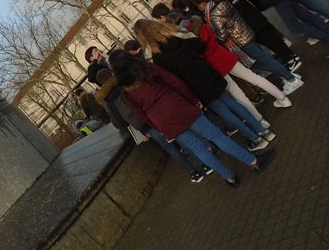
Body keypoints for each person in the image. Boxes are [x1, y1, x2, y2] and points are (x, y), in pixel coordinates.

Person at [112, 53, 276, 186]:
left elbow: (140, 114)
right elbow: (175, 82)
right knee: (216, 136)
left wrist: (158, 125)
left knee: (198, 149)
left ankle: (229, 177)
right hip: (179, 107)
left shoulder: (125, 91)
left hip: (164, 122)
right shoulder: (147, 68)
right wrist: (193, 100)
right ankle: (253, 161)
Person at [133, 19, 273, 151]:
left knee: (225, 112)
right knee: (233, 102)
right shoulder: (176, 36)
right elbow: (199, 45)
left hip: (195, 86)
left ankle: (255, 138)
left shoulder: (157, 58)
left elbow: (171, 78)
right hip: (207, 72)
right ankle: (262, 130)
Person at [98, 59, 210, 183]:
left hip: (143, 125)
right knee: (181, 139)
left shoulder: (107, 101)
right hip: (153, 116)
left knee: (170, 148)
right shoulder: (123, 83)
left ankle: (193, 173)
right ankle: (204, 163)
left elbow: (119, 122)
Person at [193, 0, 303, 99]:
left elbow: (222, 35)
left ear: (203, 3)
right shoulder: (221, 2)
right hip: (246, 33)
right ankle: (286, 74)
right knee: (263, 60)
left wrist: (214, 33)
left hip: (240, 41)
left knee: (264, 61)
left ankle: (291, 79)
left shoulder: (213, 14)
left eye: (199, 7)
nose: (201, 10)